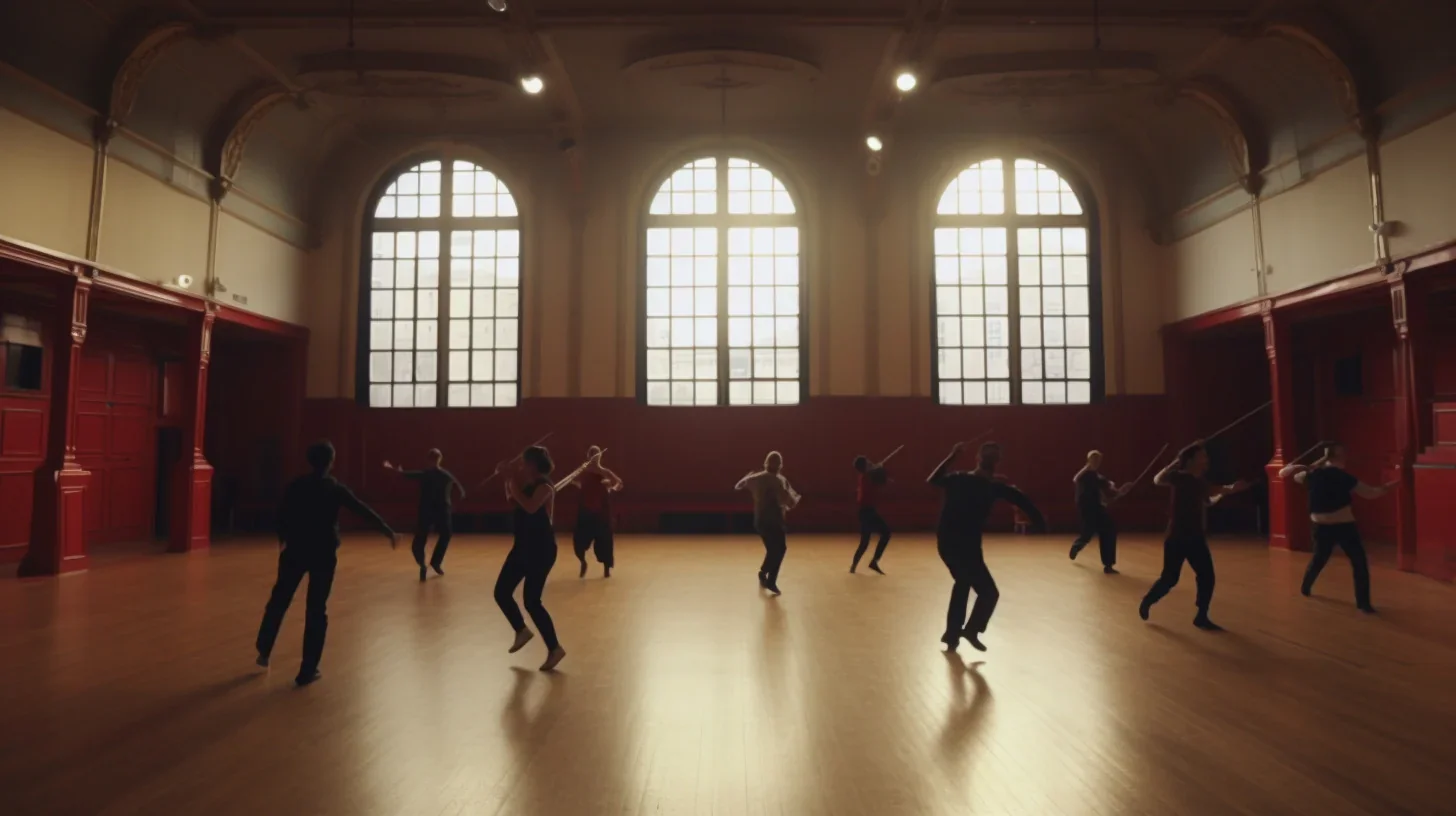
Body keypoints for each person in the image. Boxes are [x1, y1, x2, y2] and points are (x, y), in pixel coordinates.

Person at [256, 441, 396, 686]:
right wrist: (387, 530)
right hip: (323, 553)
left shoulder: (297, 485)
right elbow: (361, 509)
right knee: (316, 609)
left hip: (295, 550)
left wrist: (283, 538)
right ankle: (307, 670)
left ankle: (264, 650)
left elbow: (281, 513)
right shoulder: (334, 488)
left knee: (280, 599)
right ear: (331, 461)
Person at [927, 441, 1046, 652]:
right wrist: (1042, 525)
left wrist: (952, 455)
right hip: (968, 546)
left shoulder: (960, 479)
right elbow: (1023, 501)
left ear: (977, 459)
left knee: (963, 583)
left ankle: (953, 635)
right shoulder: (994, 487)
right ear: (997, 462)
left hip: (947, 542)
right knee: (988, 592)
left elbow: (933, 480)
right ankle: (967, 631)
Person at [1139, 441, 1251, 631]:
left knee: (1207, 576)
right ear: (1191, 459)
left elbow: (1207, 501)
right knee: (1170, 579)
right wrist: (1175, 462)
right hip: (1177, 536)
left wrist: (1229, 491)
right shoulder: (1180, 477)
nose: (1206, 458)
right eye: (1202, 455)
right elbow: (1158, 479)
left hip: (1196, 537)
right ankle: (1148, 600)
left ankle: (1201, 615)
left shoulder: (1200, 482)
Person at [1278, 442, 1395, 613]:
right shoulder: (1344, 477)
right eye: (1342, 454)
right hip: (1344, 526)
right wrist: (1390, 487)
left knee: (1319, 559)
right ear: (1338, 458)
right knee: (1359, 563)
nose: (1346, 457)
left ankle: (1306, 586)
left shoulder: (1311, 474)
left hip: (1322, 526)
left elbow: (1287, 474)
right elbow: (1371, 493)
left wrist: (1313, 465)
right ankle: (1364, 604)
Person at [494, 445, 566, 672]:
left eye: (524, 462)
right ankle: (521, 630)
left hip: (541, 549)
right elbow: (513, 500)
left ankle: (555, 649)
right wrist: (508, 479)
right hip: (523, 546)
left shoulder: (545, 486)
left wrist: (510, 478)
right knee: (501, 592)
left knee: (532, 601)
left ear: (533, 464)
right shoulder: (526, 484)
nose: (521, 466)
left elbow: (531, 506)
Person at [384, 448, 465, 581]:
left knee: (420, 539)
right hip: (442, 510)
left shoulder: (424, 474)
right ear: (440, 459)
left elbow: (404, 474)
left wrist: (393, 469)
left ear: (428, 460)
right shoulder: (446, 475)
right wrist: (452, 503)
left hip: (426, 510)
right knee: (446, 534)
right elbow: (460, 491)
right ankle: (436, 562)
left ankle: (422, 564)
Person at [735, 451, 801, 595]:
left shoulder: (756, 478)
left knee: (772, 550)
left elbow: (738, 486)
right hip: (775, 521)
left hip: (759, 521)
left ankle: (763, 572)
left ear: (766, 463)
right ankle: (771, 580)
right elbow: (789, 503)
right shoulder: (779, 481)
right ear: (780, 465)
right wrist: (795, 498)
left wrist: (747, 477)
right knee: (780, 549)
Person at [556, 446, 623, 578]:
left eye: (596, 453)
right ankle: (583, 562)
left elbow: (619, 483)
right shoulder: (582, 471)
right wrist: (573, 482)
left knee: (605, 541)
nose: (594, 456)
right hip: (586, 511)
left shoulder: (605, 472)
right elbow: (581, 485)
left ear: (600, 456)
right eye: (591, 453)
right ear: (588, 456)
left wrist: (611, 488)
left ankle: (606, 569)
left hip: (602, 512)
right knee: (580, 540)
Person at [1069, 450, 1129, 574]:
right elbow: (1076, 479)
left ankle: (1108, 565)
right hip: (1087, 510)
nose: (1097, 462)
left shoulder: (1100, 477)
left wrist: (1120, 491)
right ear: (1089, 460)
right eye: (1094, 459)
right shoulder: (1084, 475)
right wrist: (1088, 467)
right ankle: (1077, 546)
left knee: (1109, 530)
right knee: (1087, 534)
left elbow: (1111, 490)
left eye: (1099, 460)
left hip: (1098, 508)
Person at [850, 454, 892, 574]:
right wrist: (879, 468)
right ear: (864, 467)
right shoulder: (866, 476)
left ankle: (856, 566)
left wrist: (879, 468)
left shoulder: (868, 475)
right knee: (871, 539)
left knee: (868, 540)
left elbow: (882, 480)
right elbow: (880, 478)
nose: (871, 463)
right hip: (866, 512)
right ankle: (869, 563)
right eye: (868, 463)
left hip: (868, 511)